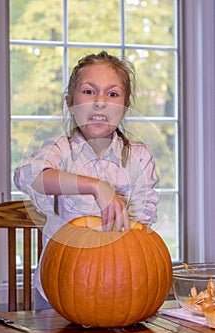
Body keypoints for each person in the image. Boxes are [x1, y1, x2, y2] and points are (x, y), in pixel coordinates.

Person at [14, 50, 159, 310]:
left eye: (112, 94)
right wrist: (96, 187)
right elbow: (28, 176)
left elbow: (141, 235)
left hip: (123, 288)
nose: (99, 102)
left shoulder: (139, 157)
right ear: (70, 102)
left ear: (125, 107)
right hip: (59, 295)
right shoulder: (60, 150)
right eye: (89, 92)